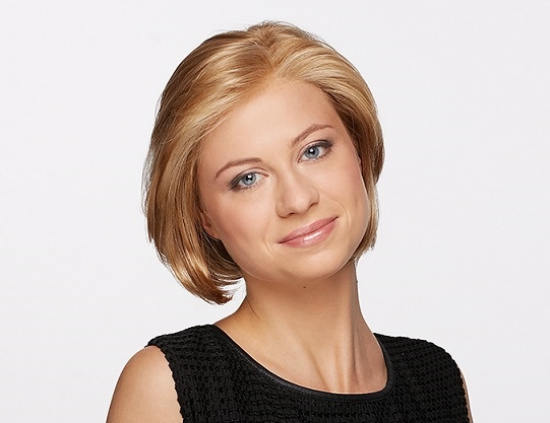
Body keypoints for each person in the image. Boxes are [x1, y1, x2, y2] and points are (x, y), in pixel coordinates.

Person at [106, 22, 473, 423]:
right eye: (248, 178)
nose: (297, 200)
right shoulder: (173, 387)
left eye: (313, 150)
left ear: (360, 152)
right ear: (204, 216)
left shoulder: (436, 380)